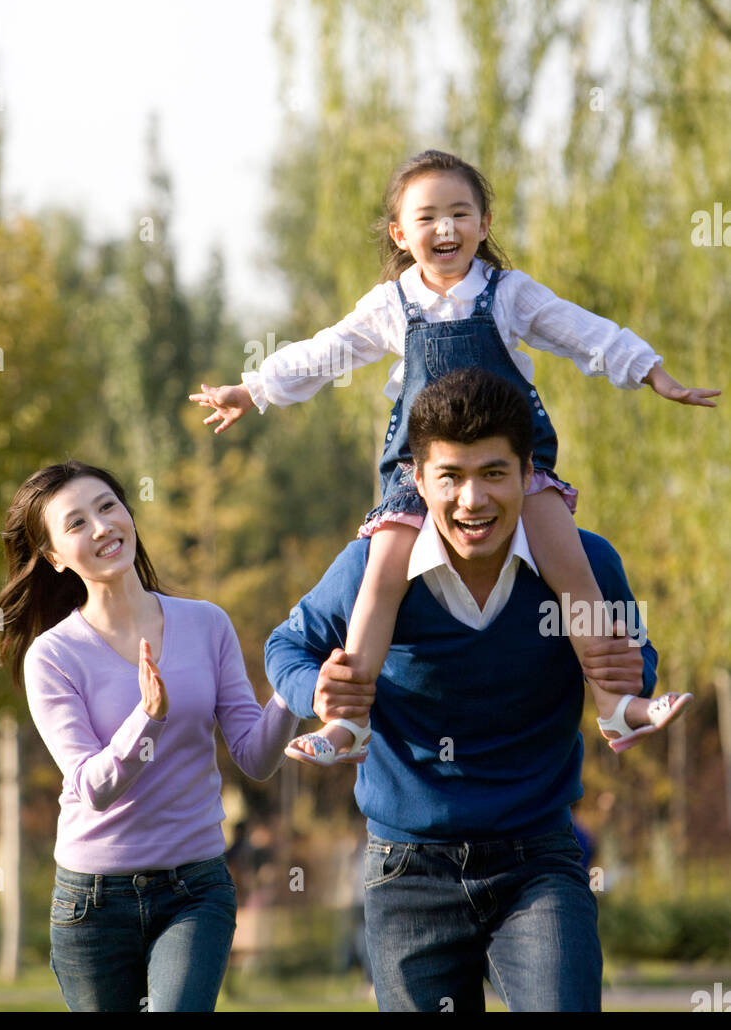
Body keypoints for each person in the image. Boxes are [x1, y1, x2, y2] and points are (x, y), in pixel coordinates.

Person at [192, 149, 715, 761]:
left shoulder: (509, 294)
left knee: (573, 567)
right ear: (400, 233)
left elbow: (581, 332)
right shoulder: (391, 305)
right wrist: (253, 389)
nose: (445, 229)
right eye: (427, 217)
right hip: (422, 475)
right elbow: (325, 351)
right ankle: (351, 723)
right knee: (382, 573)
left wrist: (650, 371)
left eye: (459, 213)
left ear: (484, 223)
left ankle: (612, 704)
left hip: (514, 468)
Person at [264, 368, 661, 1012]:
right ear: (417, 481)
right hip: (407, 870)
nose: (472, 500)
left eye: (493, 473)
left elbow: (635, 657)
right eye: (450, 476)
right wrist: (320, 691)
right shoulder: (371, 571)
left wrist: (631, 675)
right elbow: (286, 646)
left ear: (529, 472)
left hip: (539, 862)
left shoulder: (583, 567)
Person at [0, 460, 297, 1013]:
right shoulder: (54, 657)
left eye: (108, 507)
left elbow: (255, 756)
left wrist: (295, 693)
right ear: (56, 558)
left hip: (195, 889)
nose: (102, 527)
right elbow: (93, 786)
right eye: (76, 522)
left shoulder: (207, 624)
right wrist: (146, 719)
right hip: (92, 902)